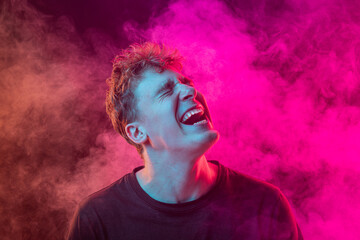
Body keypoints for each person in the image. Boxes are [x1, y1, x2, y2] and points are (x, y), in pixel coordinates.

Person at [67, 42, 303, 240]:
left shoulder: (265, 204)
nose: (190, 92)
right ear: (137, 132)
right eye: (166, 91)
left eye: (187, 83)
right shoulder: (98, 217)